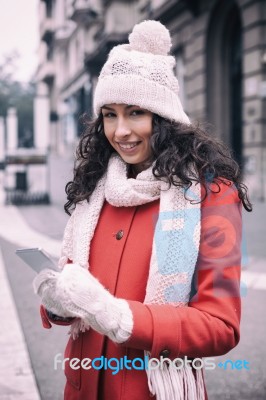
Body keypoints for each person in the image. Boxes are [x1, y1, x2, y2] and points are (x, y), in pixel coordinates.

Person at [33, 20, 252, 400]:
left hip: (152, 391)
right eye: (109, 114)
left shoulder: (210, 194)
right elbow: (77, 292)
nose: (120, 131)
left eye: (135, 112)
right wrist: (58, 305)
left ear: (163, 117)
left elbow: (220, 326)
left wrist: (118, 316)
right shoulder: (94, 187)